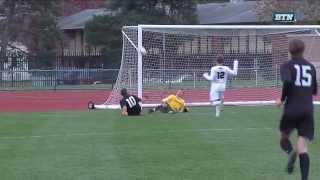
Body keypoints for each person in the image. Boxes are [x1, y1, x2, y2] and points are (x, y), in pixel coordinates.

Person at [276, 39, 317, 180]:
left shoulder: (286, 66)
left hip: (292, 109)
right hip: (307, 109)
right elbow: (314, 90)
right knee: (303, 147)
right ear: (303, 50)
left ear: (289, 50)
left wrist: (281, 99)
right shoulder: (311, 67)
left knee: (283, 139)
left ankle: (290, 152)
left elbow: (287, 81)